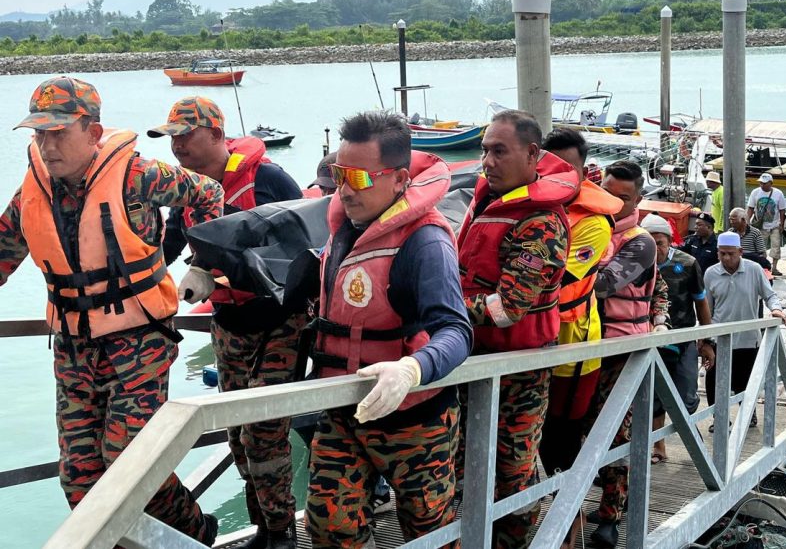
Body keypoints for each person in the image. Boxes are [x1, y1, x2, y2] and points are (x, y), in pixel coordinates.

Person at [0, 77, 222, 545]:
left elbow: (207, 193)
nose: (48, 144)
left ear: (93, 132)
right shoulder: (32, 194)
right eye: (39, 133)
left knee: (131, 463)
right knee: (80, 481)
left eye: (59, 132)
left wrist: (205, 265)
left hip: (139, 342)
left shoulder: (139, 175)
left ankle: (197, 534)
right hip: (72, 351)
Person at [307, 111, 472, 548]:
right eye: (340, 174)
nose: (343, 188)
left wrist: (411, 371)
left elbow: (456, 329)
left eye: (358, 177)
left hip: (414, 419)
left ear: (400, 180)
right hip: (344, 410)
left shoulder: (426, 241)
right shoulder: (344, 227)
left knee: (430, 532)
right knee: (329, 524)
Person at [149, 96, 305, 548]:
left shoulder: (267, 178)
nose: (177, 147)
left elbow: (305, 246)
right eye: (171, 138)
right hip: (229, 326)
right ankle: (262, 529)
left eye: (186, 136)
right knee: (238, 436)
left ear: (217, 134)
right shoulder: (190, 191)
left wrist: (222, 270)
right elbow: (167, 249)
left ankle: (282, 536)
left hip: (281, 323)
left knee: (264, 433)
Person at [456, 109, 576, 549]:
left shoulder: (541, 223)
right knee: (463, 465)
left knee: (513, 470)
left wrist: (442, 306)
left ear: (531, 154)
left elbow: (509, 307)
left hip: (519, 373)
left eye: (499, 151)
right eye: (484, 150)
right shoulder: (487, 201)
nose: (487, 161)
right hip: (471, 363)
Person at [539, 127, 622, 549]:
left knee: (562, 444)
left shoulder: (592, 223)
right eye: (546, 165)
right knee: (528, 450)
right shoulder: (524, 208)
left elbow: (554, 283)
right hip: (525, 351)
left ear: (583, 171)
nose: (554, 174)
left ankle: (570, 533)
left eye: (565, 167)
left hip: (574, 351)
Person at [589, 160, 669, 549]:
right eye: (606, 193)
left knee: (618, 434)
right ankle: (601, 499)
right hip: (585, 347)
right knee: (584, 431)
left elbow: (602, 284)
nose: (613, 203)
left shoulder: (641, 241)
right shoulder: (592, 229)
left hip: (623, 350)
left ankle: (611, 516)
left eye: (622, 198)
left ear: (637, 199)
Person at [642, 214, 713, 463]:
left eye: (659, 242)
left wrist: (707, 340)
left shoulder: (688, 263)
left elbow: (701, 302)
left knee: (688, 396)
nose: (655, 248)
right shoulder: (637, 264)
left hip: (682, 338)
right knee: (654, 397)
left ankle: (693, 439)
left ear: (670, 241)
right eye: (648, 242)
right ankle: (658, 447)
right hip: (649, 342)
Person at [703, 231, 786, 429]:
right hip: (719, 338)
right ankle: (719, 418)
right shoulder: (711, 273)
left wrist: (776, 309)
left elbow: (770, 295)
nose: (726, 258)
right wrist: (705, 337)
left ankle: (748, 414)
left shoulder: (754, 270)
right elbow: (707, 308)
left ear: (740, 251)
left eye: (731, 253)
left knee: (745, 381)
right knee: (714, 381)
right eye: (722, 253)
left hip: (748, 339)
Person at [746, 173, 786, 276]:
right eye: (761, 183)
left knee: (776, 247)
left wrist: (782, 224)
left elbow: (782, 210)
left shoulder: (778, 193)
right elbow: (750, 208)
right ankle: (762, 266)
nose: (762, 185)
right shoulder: (755, 192)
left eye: (764, 183)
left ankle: (775, 267)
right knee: (760, 248)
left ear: (771, 183)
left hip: (775, 225)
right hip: (760, 225)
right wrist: (747, 221)